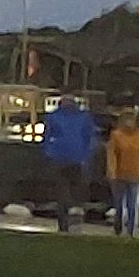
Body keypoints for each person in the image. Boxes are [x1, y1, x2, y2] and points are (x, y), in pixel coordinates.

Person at [39, 94, 101, 224]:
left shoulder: (81, 117)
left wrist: (87, 154)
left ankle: (69, 214)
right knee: (64, 188)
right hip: (64, 158)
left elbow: (91, 137)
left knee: (72, 188)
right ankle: (65, 216)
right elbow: (47, 136)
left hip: (74, 158)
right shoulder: (56, 117)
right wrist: (48, 151)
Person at [102, 108, 139, 236]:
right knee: (119, 205)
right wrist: (112, 172)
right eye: (126, 118)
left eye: (131, 118)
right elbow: (112, 155)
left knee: (133, 205)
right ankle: (119, 227)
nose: (129, 121)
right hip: (119, 176)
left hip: (136, 176)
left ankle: (131, 231)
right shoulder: (116, 136)